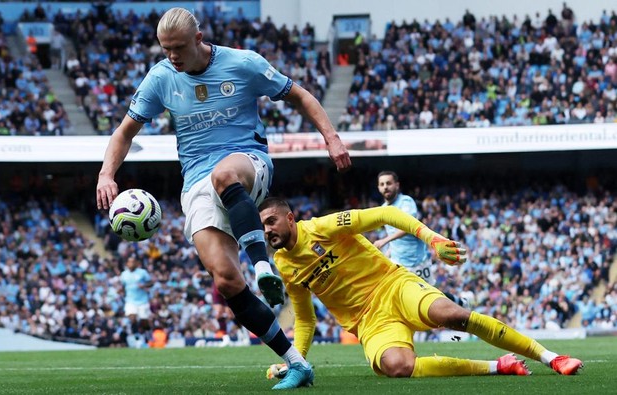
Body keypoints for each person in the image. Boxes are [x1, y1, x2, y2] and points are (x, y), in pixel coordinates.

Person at [95, 7, 351, 389]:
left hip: (247, 162)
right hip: (195, 183)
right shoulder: (162, 78)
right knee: (227, 281)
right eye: (166, 49)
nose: (172, 57)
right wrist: (106, 174)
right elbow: (124, 132)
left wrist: (331, 138)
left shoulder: (243, 63)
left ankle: (263, 266)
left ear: (199, 39)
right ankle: (296, 363)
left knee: (224, 174)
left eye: (179, 47)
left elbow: (300, 96)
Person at [258, 198, 583, 379]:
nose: (267, 229)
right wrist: (297, 362)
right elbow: (305, 320)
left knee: (452, 314)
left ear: (290, 218)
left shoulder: (324, 226)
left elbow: (386, 213)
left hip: (393, 285)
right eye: (262, 226)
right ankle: (500, 366)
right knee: (398, 368)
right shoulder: (284, 266)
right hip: (369, 322)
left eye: (271, 220)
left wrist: (433, 238)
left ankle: (551, 357)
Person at [373, 171, 467, 307]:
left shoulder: (406, 202)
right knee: (397, 297)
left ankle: (459, 303)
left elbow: (408, 227)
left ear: (397, 185)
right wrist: (389, 251)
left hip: (418, 262)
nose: (385, 187)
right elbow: (393, 234)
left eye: (388, 183)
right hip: (398, 262)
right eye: (382, 184)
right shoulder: (383, 209)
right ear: (378, 188)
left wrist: (384, 240)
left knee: (431, 296)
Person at [119, 255, 152, 347]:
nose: (131, 264)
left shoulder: (142, 272)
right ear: (127, 263)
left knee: (143, 322)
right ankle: (137, 338)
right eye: (129, 262)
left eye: (133, 262)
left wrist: (144, 285)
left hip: (142, 301)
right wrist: (120, 290)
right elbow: (123, 286)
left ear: (137, 263)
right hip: (130, 300)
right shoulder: (124, 274)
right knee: (132, 318)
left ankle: (148, 336)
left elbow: (151, 283)